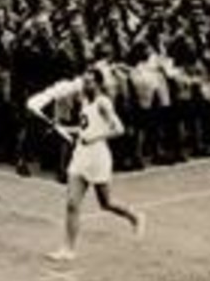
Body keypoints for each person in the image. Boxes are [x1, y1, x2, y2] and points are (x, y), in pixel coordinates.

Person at [28, 66, 146, 262]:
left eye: (90, 81)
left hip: (98, 156)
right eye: (85, 80)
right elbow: (85, 127)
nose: (85, 84)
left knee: (106, 203)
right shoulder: (84, 101)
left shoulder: (103, 102)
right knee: (72, 204)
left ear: (98, 83)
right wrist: (67, 129)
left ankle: (135, 216)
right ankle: (68, 249)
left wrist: (94, 138)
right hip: (80, 155)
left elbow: (119, 129)